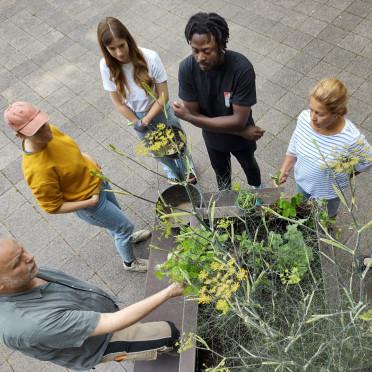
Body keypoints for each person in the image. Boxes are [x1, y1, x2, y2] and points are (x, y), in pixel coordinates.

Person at [4, 101, 150, 272]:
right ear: (20, 135)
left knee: (119, 224)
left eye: (43, 124)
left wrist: (86, 158)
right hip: (91, 203)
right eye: (37, 131)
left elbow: (69, 149)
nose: (46, 131)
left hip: (99, 183)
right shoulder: (37, 170)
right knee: (124, 225)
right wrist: (90, 203)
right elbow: (53, 207)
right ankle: (129, 262)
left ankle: (125, 236)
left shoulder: (50, 132)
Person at [0, 238, 184, 370]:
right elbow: (113, 322)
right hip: (101, 343)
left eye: (22, 249)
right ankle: (176, 348)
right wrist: (170, 291)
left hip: (97, 314)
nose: (30, 256)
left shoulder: (24, 275)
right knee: (169, 333)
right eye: (17, 262)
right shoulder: (32, 323)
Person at [97, 17, 196, 184]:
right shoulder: (105, 66)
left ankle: (187, 167)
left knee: (177, 142)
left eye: (121, 45)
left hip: (159, 110)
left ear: (128, 40)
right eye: (112, 49)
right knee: (156, 149)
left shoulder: (150, 57)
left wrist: (147, 119)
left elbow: (163, 95)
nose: (119, 53)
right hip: (136, 115)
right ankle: (170, 169)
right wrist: (137, 121)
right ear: (105, 48)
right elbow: (118, 103)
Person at [172, 12, 265, 190]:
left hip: (242, 140)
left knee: (250, 166)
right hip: (217, 139)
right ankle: (225, 201)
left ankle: (258, 191)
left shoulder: (241, 69)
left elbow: (239, 120)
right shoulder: (187, 69)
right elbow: (195, 113)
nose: (200, 57)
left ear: (222, 44)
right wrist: (240, 131)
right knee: (221, 174)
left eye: (207, 50)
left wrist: (191, 117)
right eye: (195, 50)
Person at [278, 78, 372, 217]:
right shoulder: (304, 119)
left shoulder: (352, 139)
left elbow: (367, 161)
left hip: (329, 194)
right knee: (302, 210)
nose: (312, 118)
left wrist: (344, 174)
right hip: (302, 182)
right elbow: (295, 143)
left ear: (338, 112)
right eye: (311, 110)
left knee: (327, 217)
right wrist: (286, 167)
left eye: (320, 113)